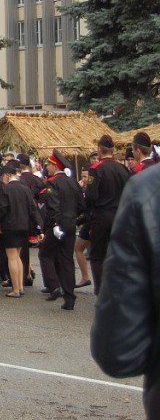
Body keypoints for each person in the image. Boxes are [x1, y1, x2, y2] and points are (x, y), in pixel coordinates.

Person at [90, 163, 160, 418]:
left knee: (95, 257)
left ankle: (96, 286)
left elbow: (119, 353)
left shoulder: (149, 187)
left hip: (105, 219)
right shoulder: (133, 177)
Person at [84, 135, 130, 295]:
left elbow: (91, 195)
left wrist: (87, 217)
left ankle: (102, 290)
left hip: (102, 216)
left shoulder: (96, 169)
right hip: (120, 216)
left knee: (97, 255)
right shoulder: (123, 169)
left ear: (99, 150)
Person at [37, 150, 83, 310]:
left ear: (55, 165)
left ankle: (54, 285)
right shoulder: (72, 182)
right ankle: (69, 298)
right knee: (67, 259)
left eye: (48, 164)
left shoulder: (52, 182)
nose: (46, 167)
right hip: (70, 224)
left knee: (44, 253)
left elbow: (53, 204)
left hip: (56, 225)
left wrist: (56, 223)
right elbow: (81, 205)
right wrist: (74, 219)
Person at [0, 162, 42, 298]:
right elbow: (33, 208)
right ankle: (20, 286)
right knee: (18, 256)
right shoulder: (25, 188)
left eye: (3, 176)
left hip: (10, 226)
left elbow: (1, 209)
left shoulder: (6, 189)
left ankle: (15, 289)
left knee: (12, 257)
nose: (2, 178)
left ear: (8, 176)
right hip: (24, 226)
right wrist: (39, 227)